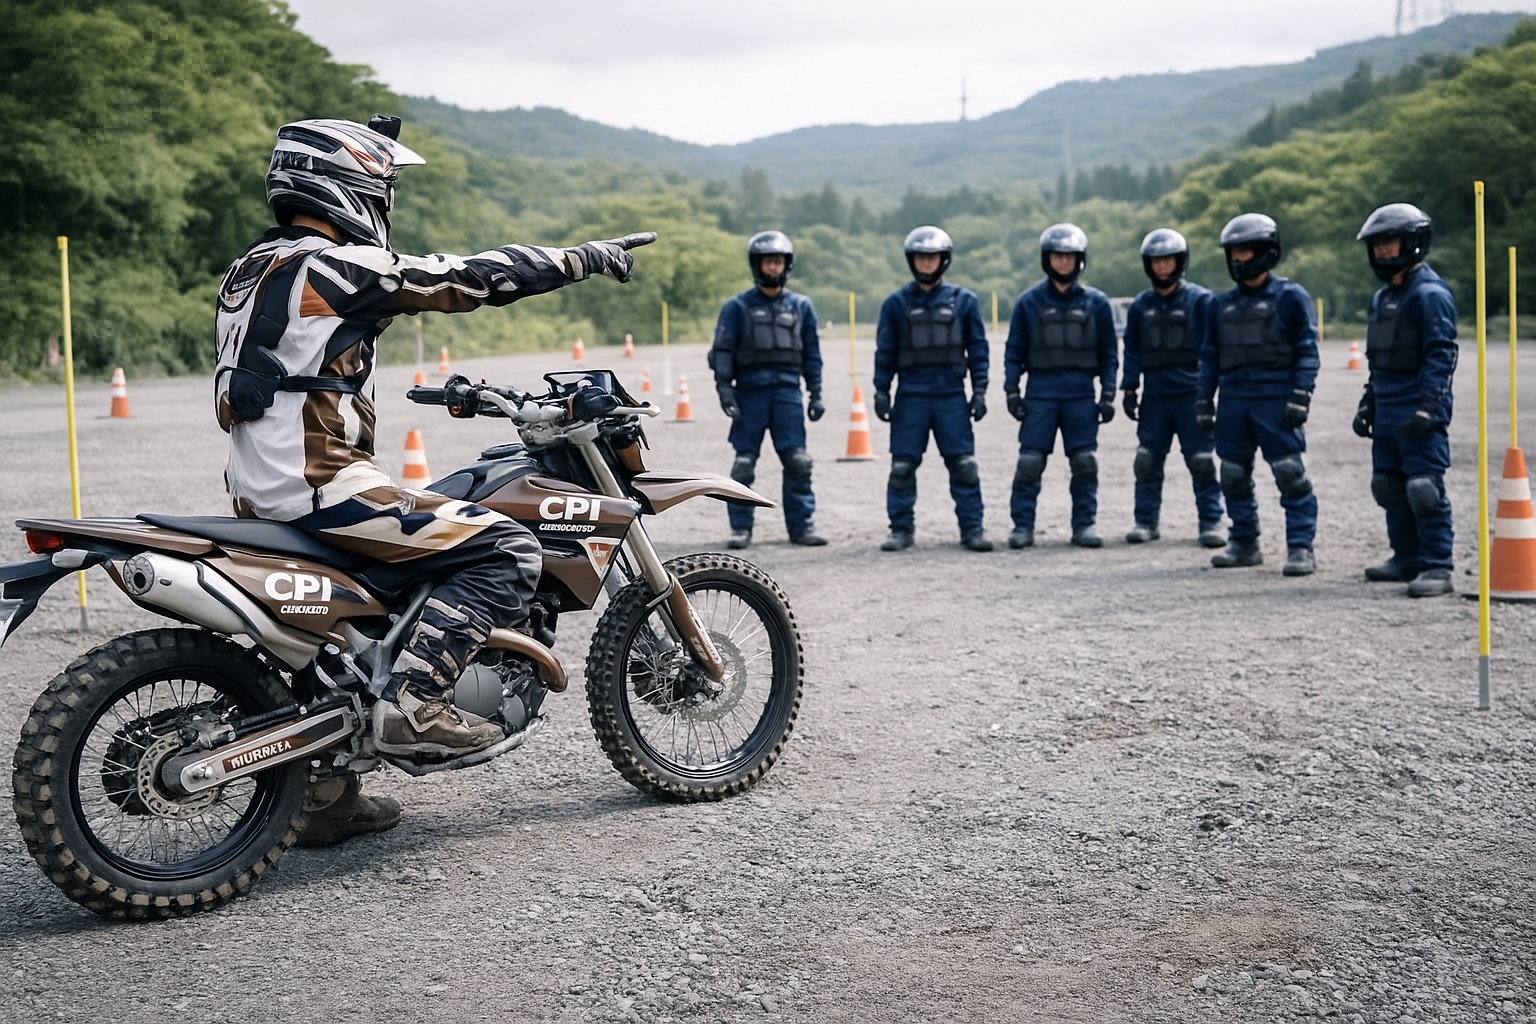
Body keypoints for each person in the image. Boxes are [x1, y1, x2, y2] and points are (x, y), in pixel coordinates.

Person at [215, 116, 645, 843]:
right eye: (380, 185)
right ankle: (414, 702)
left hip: (259, 489)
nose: (384, 200)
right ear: (349, 185)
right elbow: (468, 278)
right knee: (506, 548)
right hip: (324, 484)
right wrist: (581, 258)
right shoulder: (333, 267)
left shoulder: (252, 269)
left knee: (339, 636)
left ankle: (323, 794)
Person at [1196, 213, 1320, 575]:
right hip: (1234, 399)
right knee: (1232, 473)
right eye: (1233, 252)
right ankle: (1244, 542)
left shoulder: (1291, 297)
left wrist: (1301, 393)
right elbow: (1209, 357)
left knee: (1289, 473)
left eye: (1246, 251)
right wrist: (1203, 401)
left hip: (1275, 397)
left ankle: (1300, 547)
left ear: (1267, 252)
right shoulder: (1218, 305)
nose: (1238, 259)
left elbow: (1307, 349)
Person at [1351, 203, 1458, 597]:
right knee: (1388, 485)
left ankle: (1437, 566)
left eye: (1389, 242)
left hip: (1419, 406)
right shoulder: (1382, 298)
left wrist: (1429, 405)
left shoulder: (1429, 294)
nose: (1381, 251)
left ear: (1412, 242)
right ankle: (1406, 557)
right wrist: (1369, 401)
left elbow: (1441, 354)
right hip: (1389, 407)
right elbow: (1379, 360)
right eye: (1376, 245)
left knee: (1423, 488)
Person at [871, 226, 992, 552]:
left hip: (951, 394)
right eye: (921, 257)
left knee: (964, 465)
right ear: (912, 260)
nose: (927, 263)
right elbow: (885, 351)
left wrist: (979, 390)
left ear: (944, 259)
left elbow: (978, 348)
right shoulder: (895, 304)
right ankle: (901, 529)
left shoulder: (964, 301)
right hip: (911, 394)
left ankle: (972, 529)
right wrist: (881, 390)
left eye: (932, 257)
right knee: (902, 467)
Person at [1003, 223, 1119, 549]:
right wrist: (1012, 390)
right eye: (1058, 257)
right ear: (1047, 259)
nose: (1064, 263)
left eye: (1070, 257)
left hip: (1081, 393)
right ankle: (1022, 526)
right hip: (1041, 391)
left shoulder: (1096, 303)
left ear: (1080, 259)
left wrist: (1108, 393)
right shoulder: (1029, 302)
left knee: (1084, 462)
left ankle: (1084, 525)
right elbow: (1014, 351)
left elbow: (1109, 352)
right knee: (1029, 463)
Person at [709, 231, 827, 549]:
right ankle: (741, 529)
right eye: (767, 262)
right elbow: (722, 350)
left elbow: (813, 353)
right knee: (744, 464)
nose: (772, 268)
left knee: (798, 462)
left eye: (777, 262)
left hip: (788, 394)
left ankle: (801, 527)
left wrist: (816, 392)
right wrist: (725, 389)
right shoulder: (737, 307)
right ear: (756, 265)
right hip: (750, 393)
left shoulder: (802, 307)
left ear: (786, 265)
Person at [1120, 229, 1226, 547]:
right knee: (1147, 460)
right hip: (1155, 396)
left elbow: (1214, 349)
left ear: (1181, 262)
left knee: (1201, 461)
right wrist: (1129, 387)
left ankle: (1211, 523)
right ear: (1147, 265)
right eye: (1156, 262)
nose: (1162, 267)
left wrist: (1209, 393)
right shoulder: (1140, 306)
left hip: (1191, 394)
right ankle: (1145, 522)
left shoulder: (1202, 301)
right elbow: (1133, 349)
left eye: (1168, 260)